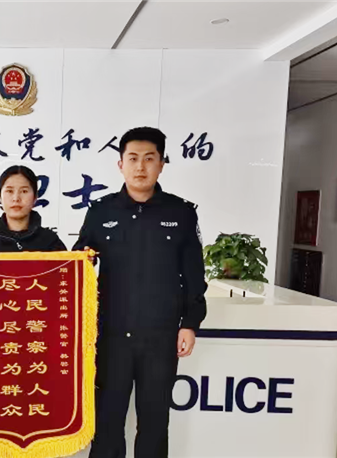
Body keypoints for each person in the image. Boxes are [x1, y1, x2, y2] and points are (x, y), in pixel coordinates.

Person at [73, 127, 207, 458]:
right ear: (120, 164)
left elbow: (194, 275)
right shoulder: (101, 211)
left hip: (160, 338)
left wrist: (190, 323)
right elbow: (78, 262)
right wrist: (85, 258)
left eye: (149, 159)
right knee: (107, 422)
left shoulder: (181, 213)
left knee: (154, 422)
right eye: (132, 159)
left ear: (161, 164)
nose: (140, 167)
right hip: (111, 337)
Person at [0, 165, 66, 253]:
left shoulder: (50, 242)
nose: (16, 198)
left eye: (24, 191)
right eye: (9, 191)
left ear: (35, 198)